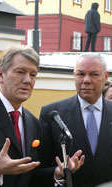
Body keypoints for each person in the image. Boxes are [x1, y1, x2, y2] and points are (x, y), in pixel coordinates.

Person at [0, 44, 84, 187]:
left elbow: (29, 175)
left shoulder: (32, 122)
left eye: (33, 75)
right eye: (20, 72)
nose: (27, 80)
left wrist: (57, 172)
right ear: (0, 75)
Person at [39, 53, 112, 187]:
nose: (86, 80)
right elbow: (39, 170)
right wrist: (58, 172)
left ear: (106, 77)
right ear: (74, 75)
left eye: (94, 74)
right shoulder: (52, 114)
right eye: (80, 74)